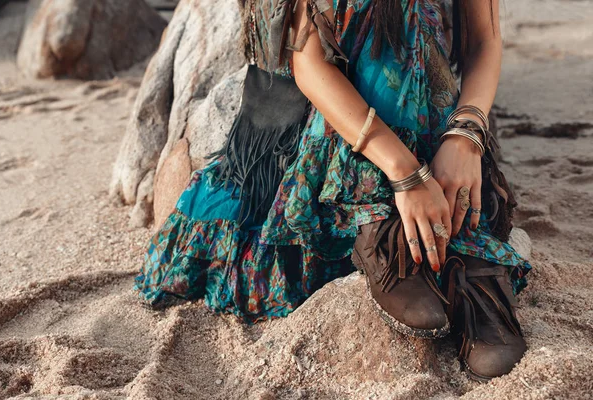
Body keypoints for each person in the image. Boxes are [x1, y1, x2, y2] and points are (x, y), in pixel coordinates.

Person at [133, 0, 532, 382]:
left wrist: (464, 139)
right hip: (314, 111)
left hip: (429, 112)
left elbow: (484, 39)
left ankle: (457, 235)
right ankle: (379, 217)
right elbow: (308, 61)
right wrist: (404, 173)